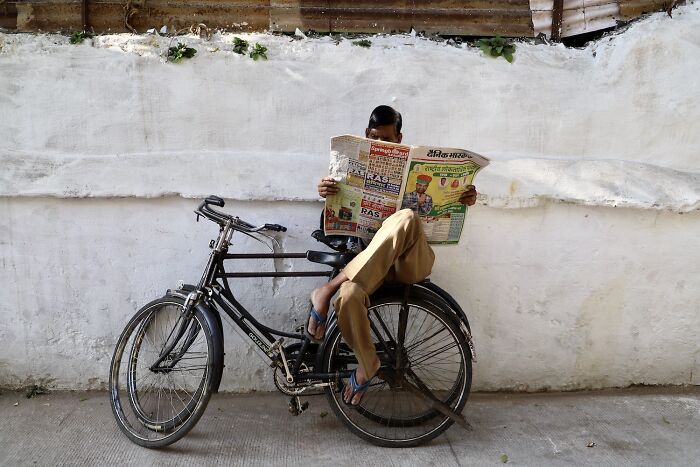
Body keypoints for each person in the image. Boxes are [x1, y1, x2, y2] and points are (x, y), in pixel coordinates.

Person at [311, 105, 478, 405]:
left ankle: (327, 289)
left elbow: (440, 208)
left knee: (406, 218)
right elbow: (334, 224)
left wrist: (465, 196)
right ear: (366, 135)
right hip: (369, 270)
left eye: (389, 140)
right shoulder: (351, 169)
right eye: (375, 138)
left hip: (409, 262)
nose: (382, 144)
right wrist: (326, 193)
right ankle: (368, 363)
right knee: (347, 297)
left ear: (399, 139)